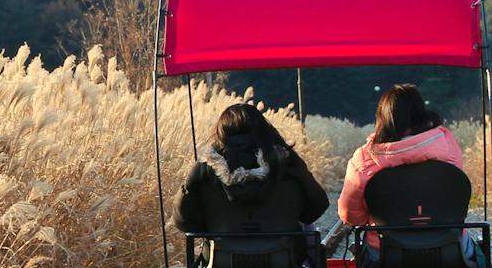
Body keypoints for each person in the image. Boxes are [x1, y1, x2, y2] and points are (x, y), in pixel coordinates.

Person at [175, 102, 330, 237]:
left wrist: (191, 180)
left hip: (222, 264)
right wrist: (300, 172)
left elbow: (186, 223)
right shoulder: (288, 163)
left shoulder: (207, 170)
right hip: (284, 263)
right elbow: (313, 212)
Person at [337, 84, 466, 226]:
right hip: (447, 242)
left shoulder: (364, 158)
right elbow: (456, 199)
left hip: (385, 245)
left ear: (383, 117)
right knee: (472, 246)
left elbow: (350, 215)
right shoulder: (447, 146)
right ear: (422, 112)